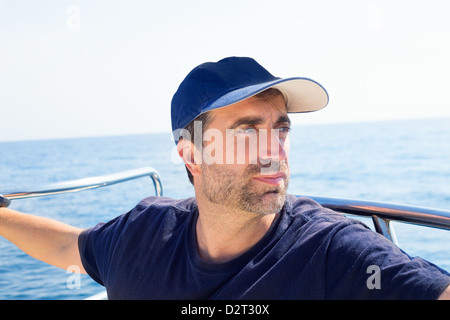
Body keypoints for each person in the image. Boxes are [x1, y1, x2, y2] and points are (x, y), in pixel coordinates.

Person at [1, 57, 449, 300]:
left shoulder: (333, 253)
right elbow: (68, 247)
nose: (275, 151)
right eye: (248, 131)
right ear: (190, 154)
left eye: (281, 129)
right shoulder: (142, 232)